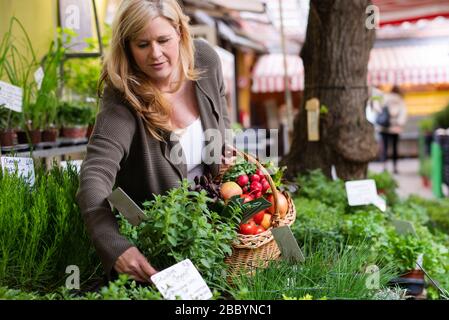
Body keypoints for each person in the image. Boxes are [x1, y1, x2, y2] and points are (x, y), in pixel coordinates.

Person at [76, 0, 231, 283]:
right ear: (127, 47)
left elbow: (221, 115)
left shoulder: (205, 60)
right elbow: (94, 175)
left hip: (218, 235)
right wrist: (115, 246)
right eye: (142, 44)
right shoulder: (122, 99)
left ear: (181, 32)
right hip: (164, 247)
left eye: (163, 40)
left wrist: (223, 154)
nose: (156, 54)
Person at [378, 86, 407, 174]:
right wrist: (399, 124)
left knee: (384, 148)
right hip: (395, 127)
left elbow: (378, 111)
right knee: (394, 148)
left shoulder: (384, 98)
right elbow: (403, 114)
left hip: (384, 127)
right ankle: (394, 167)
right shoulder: (400, 100)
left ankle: (384, 166)